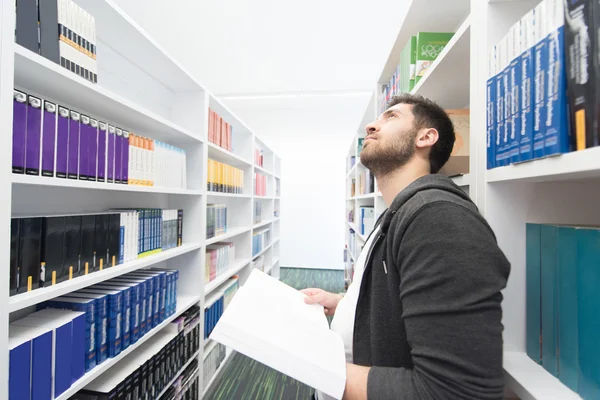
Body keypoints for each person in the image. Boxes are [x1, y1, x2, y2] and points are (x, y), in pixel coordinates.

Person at [302, 93, 510, 400]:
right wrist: (346, 302)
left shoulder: (438, 219)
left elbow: (454, 392)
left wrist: (313, 363)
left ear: (426, 137)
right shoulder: (396, 213)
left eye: (391, 117)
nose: (371, 126)